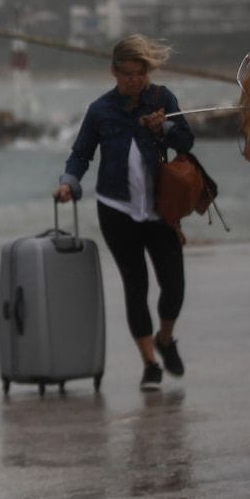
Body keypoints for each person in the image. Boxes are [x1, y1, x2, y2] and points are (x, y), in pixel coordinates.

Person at [53, 34, 194, 392]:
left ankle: (166, 338)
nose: (135, 80)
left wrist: (165, 126)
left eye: (140, 73)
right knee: (136, 286)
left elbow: (186, 142)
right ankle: (149, 363)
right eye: (128, 73)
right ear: (114, 72)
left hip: (161, 209)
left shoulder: (163, 99)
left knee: (174, 284)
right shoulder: (101, 110)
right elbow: (81, 153)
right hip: (116, 209)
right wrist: (70, 183)